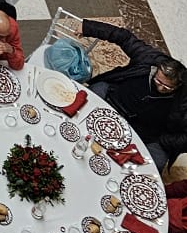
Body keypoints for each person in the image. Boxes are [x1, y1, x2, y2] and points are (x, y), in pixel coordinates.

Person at [56, 15, 185, 160]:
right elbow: (124, 37)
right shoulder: (150, 58)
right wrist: (88, 27)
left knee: (158, 159)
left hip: (141, 131)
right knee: (83, 101)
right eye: (157, 80)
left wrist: (163, 140)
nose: (159, 86)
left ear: (178, 85)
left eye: (166, 87)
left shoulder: (183, 99)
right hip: (112, 98)